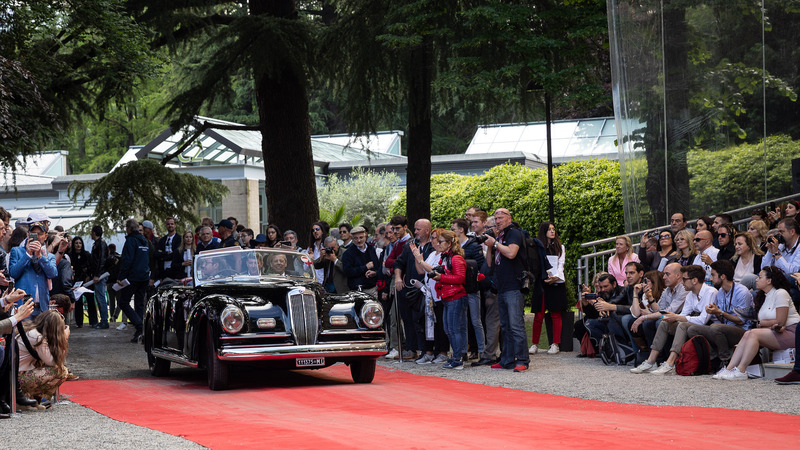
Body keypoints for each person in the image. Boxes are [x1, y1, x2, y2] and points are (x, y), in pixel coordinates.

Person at [630, 265, 717, 375]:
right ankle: (651, 361)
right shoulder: (691, 294)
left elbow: (703, 320)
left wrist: (676, 317)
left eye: (684, 279)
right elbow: (682, 315)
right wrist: (672, 318)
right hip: (694, 324)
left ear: (694, 280)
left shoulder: (710, 292)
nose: (682, 282)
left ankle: (670, 363)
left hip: (710, 327)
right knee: (664, 323)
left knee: (682, 325)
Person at [717, 266, 800, 380]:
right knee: (748, 333)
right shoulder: (763, 296)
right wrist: (764, 323)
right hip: (775, 331)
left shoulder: (781, 293)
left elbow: (780, 322)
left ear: (769, 280)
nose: (756, 279)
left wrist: (763, 322)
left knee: (753, 334)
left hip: (792, 332)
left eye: (760, 277)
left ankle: (741, 370)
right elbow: (759, 324)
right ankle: (729, 369)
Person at [685, 260, 754, 374]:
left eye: (713, 275)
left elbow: (741, 321)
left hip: (742, 331)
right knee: (692, 329)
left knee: (715, 327)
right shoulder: (721, 292)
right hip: (726, 328)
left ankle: (725, 360)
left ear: (722, 276)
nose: (710, 279)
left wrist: (720, 312)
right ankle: (713, 359)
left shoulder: (742, 292)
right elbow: (722, 318)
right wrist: (715, 312)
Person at [483, 208, 530, 372]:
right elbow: (490, 263)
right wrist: (490, 245)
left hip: (513, 286)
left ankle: (522, 360)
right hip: (501, 287)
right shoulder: (500, 237)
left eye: (501, 217)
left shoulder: (514, 233)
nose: (497, 221)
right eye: (496, 218)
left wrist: (495, 243)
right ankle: (507, 360)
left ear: (509, 218)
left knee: (516, 325)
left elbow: (511, 253)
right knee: (505, 326)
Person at [395, 219, 435, 362]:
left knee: (427, 320)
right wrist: (398, 278)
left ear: (427, 230)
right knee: (411, 319)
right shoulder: (409, 245)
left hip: (429, 289)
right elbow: (399, 263)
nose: (415, 232)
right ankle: (414, 349)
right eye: (415, 229)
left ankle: (429, 351)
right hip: (411, 289)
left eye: (418, 229)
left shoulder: (434, 245)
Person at [410, 227, 450, 365]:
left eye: (435, 238)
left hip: (440, 295)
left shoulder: (444, 255)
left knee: (441, 325)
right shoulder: (433, 254)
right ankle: (429, 351)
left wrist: (421, 261)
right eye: (432, 238)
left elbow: (432, 270)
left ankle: (443, 352)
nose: (433, 241)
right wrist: (417, 257)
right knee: (429, 324)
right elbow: (421, 270)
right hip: (429, 295)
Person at [430, 230, 468, 370]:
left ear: (449, 243)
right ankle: (457, 356)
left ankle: (458, 358)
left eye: (440, 242)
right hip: (448, 296)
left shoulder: (455, 258)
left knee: (454, 328)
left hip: (455, 296)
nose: (438, 244)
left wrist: (441, 278)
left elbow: (460, 278)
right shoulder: (446, 257)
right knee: (449, 328)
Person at [16, 310, 69, 409]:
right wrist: (64, 339)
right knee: (61, 371)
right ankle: (24, 399)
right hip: (17, 379)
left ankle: (31, 401)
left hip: (14, 375)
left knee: (40, 364)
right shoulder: (38, 337)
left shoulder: (31, 331)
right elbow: (52, 362)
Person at [9, 215, 57, 319]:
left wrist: (40, 256)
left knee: (42, 334)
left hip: (42, 307)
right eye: (33, 234)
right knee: (23, 334)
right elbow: (13, 273)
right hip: (24, 306)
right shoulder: (17, 251)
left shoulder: (49, 256)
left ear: (45, 236)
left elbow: (53, 273)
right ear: (28, 235)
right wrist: (28, 254)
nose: (37, 237)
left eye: (40, 234)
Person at [530, 221, 567, 355]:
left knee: (555, 314)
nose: (552, 231)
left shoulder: (560, 247)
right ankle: (534, 344)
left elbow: (560, 264)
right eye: (549, 229)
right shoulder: (537, 246)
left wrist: (556, 277)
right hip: (541, 282)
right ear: (543, 231)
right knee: (538, 315)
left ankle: (555, 343)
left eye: (554, 229)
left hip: (556, 283)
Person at [450, 217, 485, 360]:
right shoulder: (454, 248)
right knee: (462, 321)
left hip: (471, 287)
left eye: (453, 229)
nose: (451, 231)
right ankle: (464, 350)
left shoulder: (473, 245)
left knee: (476, 321)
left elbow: (481, 265)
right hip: (459, 288)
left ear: (461, 229)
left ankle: (482, 350)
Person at [117, 218, 150, 343]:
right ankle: (142, 330)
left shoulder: (131, 240)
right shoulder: (144, 241)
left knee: (123, 302)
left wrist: (121, 276)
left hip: (133, 277)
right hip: (144, 276)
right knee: (139, 303)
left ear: (128, 229)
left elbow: (127, 260)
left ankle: (139, 326)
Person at [761, 218, 800, 310]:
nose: (779, 235)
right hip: (777, 285)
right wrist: (770, 251)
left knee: (788, 281)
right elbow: (763, 268)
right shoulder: (780, 246)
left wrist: (777, 254)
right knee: (756, 286)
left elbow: (793, 271)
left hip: (793, 283)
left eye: (781, 232)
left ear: (792, 231)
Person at [341, 226, 380, 297]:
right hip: (357, 291)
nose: (359, 240)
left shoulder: (371, 249)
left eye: (361, 237)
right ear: (352, 238)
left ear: (365, 236)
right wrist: (365, 267)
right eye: (356, 238)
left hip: (372, 289)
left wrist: (374, 273)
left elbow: (377, 265)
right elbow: (348, 271)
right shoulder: (348, 253)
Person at [69, 236, 96, 328]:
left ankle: (93, 321)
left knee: (91, 301)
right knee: (78, 302)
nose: (78, 245)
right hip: (76, 281)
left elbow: (92, 267)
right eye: (76, 243)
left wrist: (88, 274)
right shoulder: (70, 255)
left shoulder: (87, 255)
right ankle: (79, 322)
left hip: (87, 281)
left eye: (80, 243)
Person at [89, 226, 110, 329]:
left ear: (94, 233)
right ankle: (103, 319)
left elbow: (101, 260)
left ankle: (104, 320)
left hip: (100, 275)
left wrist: (97, 274)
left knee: (100, 297)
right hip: (99, 274)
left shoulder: (100, 244)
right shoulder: (100, 244)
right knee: (99, 297)